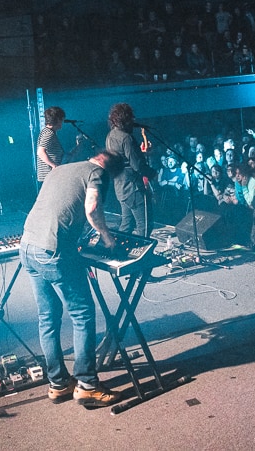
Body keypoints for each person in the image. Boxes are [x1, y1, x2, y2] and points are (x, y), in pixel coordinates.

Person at [19, 151, 125, 409]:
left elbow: (57, 207)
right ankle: (87, 386)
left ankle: (58, 385)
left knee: (48, 317)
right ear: (110, 170)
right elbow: (92, 208)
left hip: (28, 247)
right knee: (82, 315)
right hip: (53, 252)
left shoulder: (61, 169)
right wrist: (108, 240)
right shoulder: (97, 173)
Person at [105, 103, 154, 237]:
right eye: (131, 119)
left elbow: (123, 160)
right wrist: (152, 173)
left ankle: (119, 252)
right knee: (144, 225)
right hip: (133, 188)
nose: (133, 121)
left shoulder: (110, 135)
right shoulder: (126, 138)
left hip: (121, 186)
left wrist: (142, 153)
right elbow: (137, 165)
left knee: (127, 224)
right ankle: (143, 255)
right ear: (125, 120)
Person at [36, 106, 66, 185]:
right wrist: (54, 165)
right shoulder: (49, 133)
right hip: (49, 174)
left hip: (49, 175)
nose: (62, 122)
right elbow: (40, 152)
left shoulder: (47, 131)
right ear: (58, 119)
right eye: (62, 120)